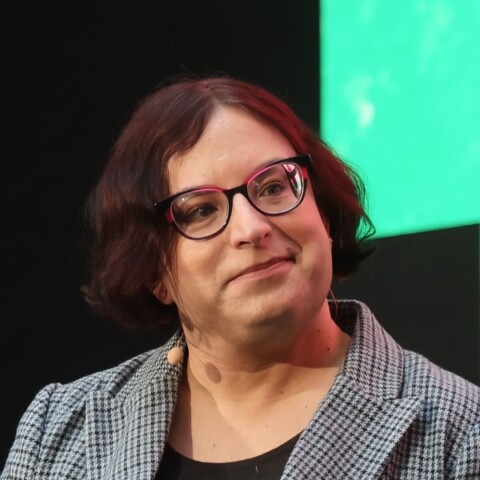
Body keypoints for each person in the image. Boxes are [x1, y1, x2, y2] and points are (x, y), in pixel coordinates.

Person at [1, 76, 479, 480]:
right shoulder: (62, 430)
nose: (252, 227)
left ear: (325, 217)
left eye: (273, 186)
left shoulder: (458, 433)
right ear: (154, 274)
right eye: (202, 210)